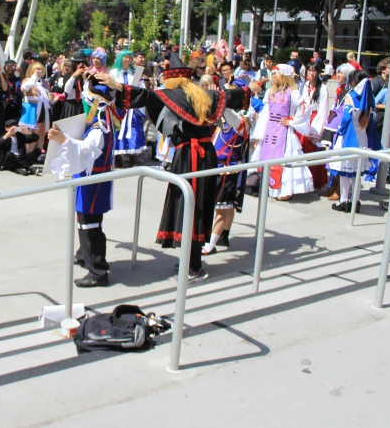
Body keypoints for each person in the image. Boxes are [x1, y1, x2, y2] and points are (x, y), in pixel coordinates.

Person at [100, 53, 261, 283]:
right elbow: (230, 97)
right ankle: (192, 261)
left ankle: (193, 267)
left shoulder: (170, 95)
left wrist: (116, 85)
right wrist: (252, 86)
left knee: (190, 209)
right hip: (207, 154)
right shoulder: (204, 95)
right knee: (197, 208)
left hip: (188, 156)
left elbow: (145, 96)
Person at [47, 79, 120, 288]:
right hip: (88, 177)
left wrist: (63, 139)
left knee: (90, 223)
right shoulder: (100, 119)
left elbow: (87, 149)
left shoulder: (100, 125)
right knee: (84, 218)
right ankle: (84, 254)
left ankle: (98, 270)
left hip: (93, 181)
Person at [250, 65, 314, 201]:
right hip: (269, 131)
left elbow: (306, 107)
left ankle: (284, 190)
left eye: (276, 74)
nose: (273, 77)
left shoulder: (293, 93)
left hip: (284, 132)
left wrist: (292, 122)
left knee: (284, 159)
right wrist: (258, 135)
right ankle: (266, 187)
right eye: (272, 74)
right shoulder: (270, 93)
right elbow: (265, 114)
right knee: (266, 157)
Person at [202, 104, 253, 255]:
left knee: (221, 208)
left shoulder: (240, 121)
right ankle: (224, 234)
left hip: (227, 170)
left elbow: (227, 111)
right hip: (216, 166)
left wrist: (221, 97)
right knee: (227, 205)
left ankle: (210, 245)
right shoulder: (226, 120)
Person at [329, 71, 382, 213]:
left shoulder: (351, 97)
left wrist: (338, 130)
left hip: (348, 138)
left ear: (353, 82)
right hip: (362, 137)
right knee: (356, 173)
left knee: (345, 172)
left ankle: (344, 201)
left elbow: (346, 119)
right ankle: (355, 202)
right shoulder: (369, 98)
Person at [111, 49, 146, 168]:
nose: (127, 60)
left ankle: (132, 157)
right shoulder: (114, 73)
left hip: (132, 107)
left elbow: (141, 88)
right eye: (125, 57)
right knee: (117, 130)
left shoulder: (135, 73)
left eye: (129, 57)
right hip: (118, 107)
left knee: (133, 130)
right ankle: (117, 158)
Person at [298, 65, 330, 189]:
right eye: (310, 70)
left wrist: (315, 130)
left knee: (312, 150)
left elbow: (323, 110)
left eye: (314, 70)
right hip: (302, 118)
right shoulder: (303, 85)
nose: (312, 73)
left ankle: (314, 181)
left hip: (314, 119)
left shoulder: (323, 88)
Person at [19, 62, 52, 151]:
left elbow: (48, 95)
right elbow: (24, 88)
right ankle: (29, 154)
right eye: (36, 70)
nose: (39, 72)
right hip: (32, 108)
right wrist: (34, 78)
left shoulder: (44, 82)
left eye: (40, 70)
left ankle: (38, 154)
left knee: (41, 132)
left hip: (43, 108)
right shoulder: (28, 80)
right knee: (31, 133)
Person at [61, 52, 88, 119]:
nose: (80, 66)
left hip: (82, 104)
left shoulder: (87, 77)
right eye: (78, 63)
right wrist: (73, 76)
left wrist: (85, 77)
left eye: (83, 63)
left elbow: (87, 92)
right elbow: (66, 90)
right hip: (70, 105)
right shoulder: (68, 76)